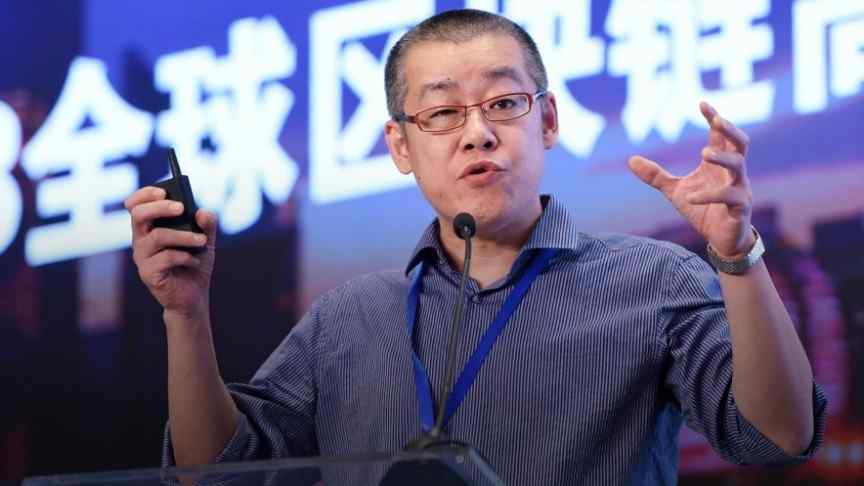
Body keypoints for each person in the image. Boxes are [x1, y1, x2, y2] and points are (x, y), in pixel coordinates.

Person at [124, 9, 826, 485]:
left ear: (547, 119)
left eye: (503, 103)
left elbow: (778, 437)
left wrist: (737, 254)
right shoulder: (348, 319)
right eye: (441, 113)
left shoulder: (655, 278)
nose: (477, 133)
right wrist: (184, 317)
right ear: (400, 145)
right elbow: (214, 473)